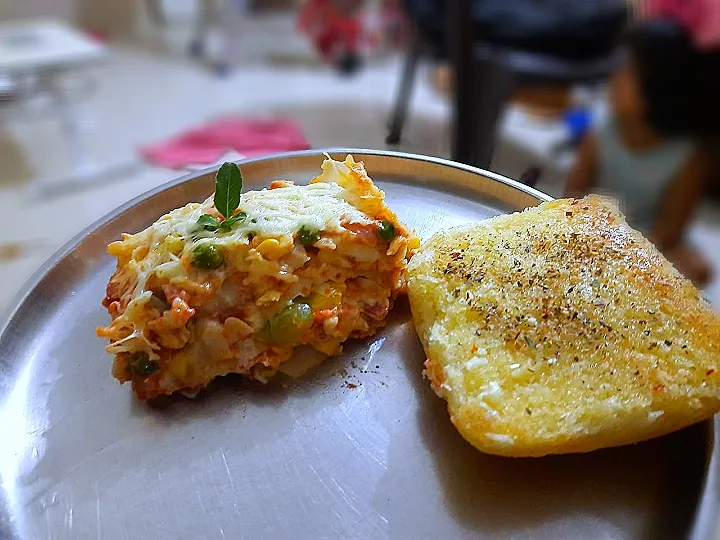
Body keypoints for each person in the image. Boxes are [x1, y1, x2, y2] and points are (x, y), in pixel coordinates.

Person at [565, 6, 720, 288]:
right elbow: (573, 193)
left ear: (660, 90)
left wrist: (632, 250)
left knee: (698, 269)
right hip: (597, 224)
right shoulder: (601, 128)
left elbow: (671, 228)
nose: (614, 78)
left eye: (627, 74)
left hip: (653, 238)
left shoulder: (688, 156)